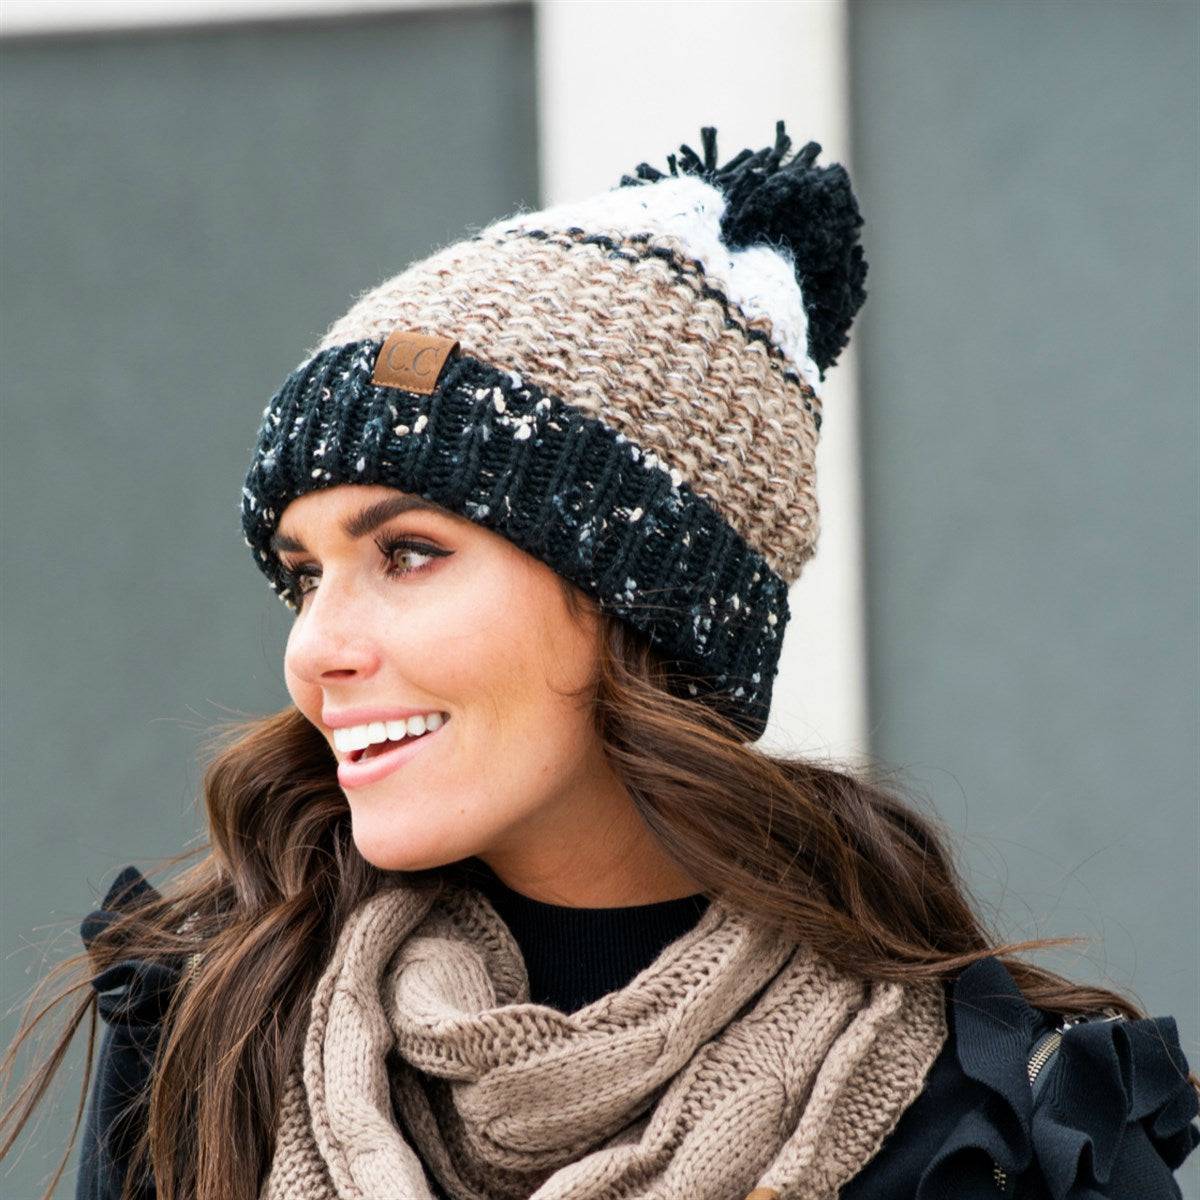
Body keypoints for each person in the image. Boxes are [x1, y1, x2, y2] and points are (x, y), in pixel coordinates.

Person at [2, 120, 1196, 1200]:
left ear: (642, 602)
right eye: (305, 575)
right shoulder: (214, 1035)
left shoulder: (986, 1126)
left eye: (408, 553)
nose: (315, 649)